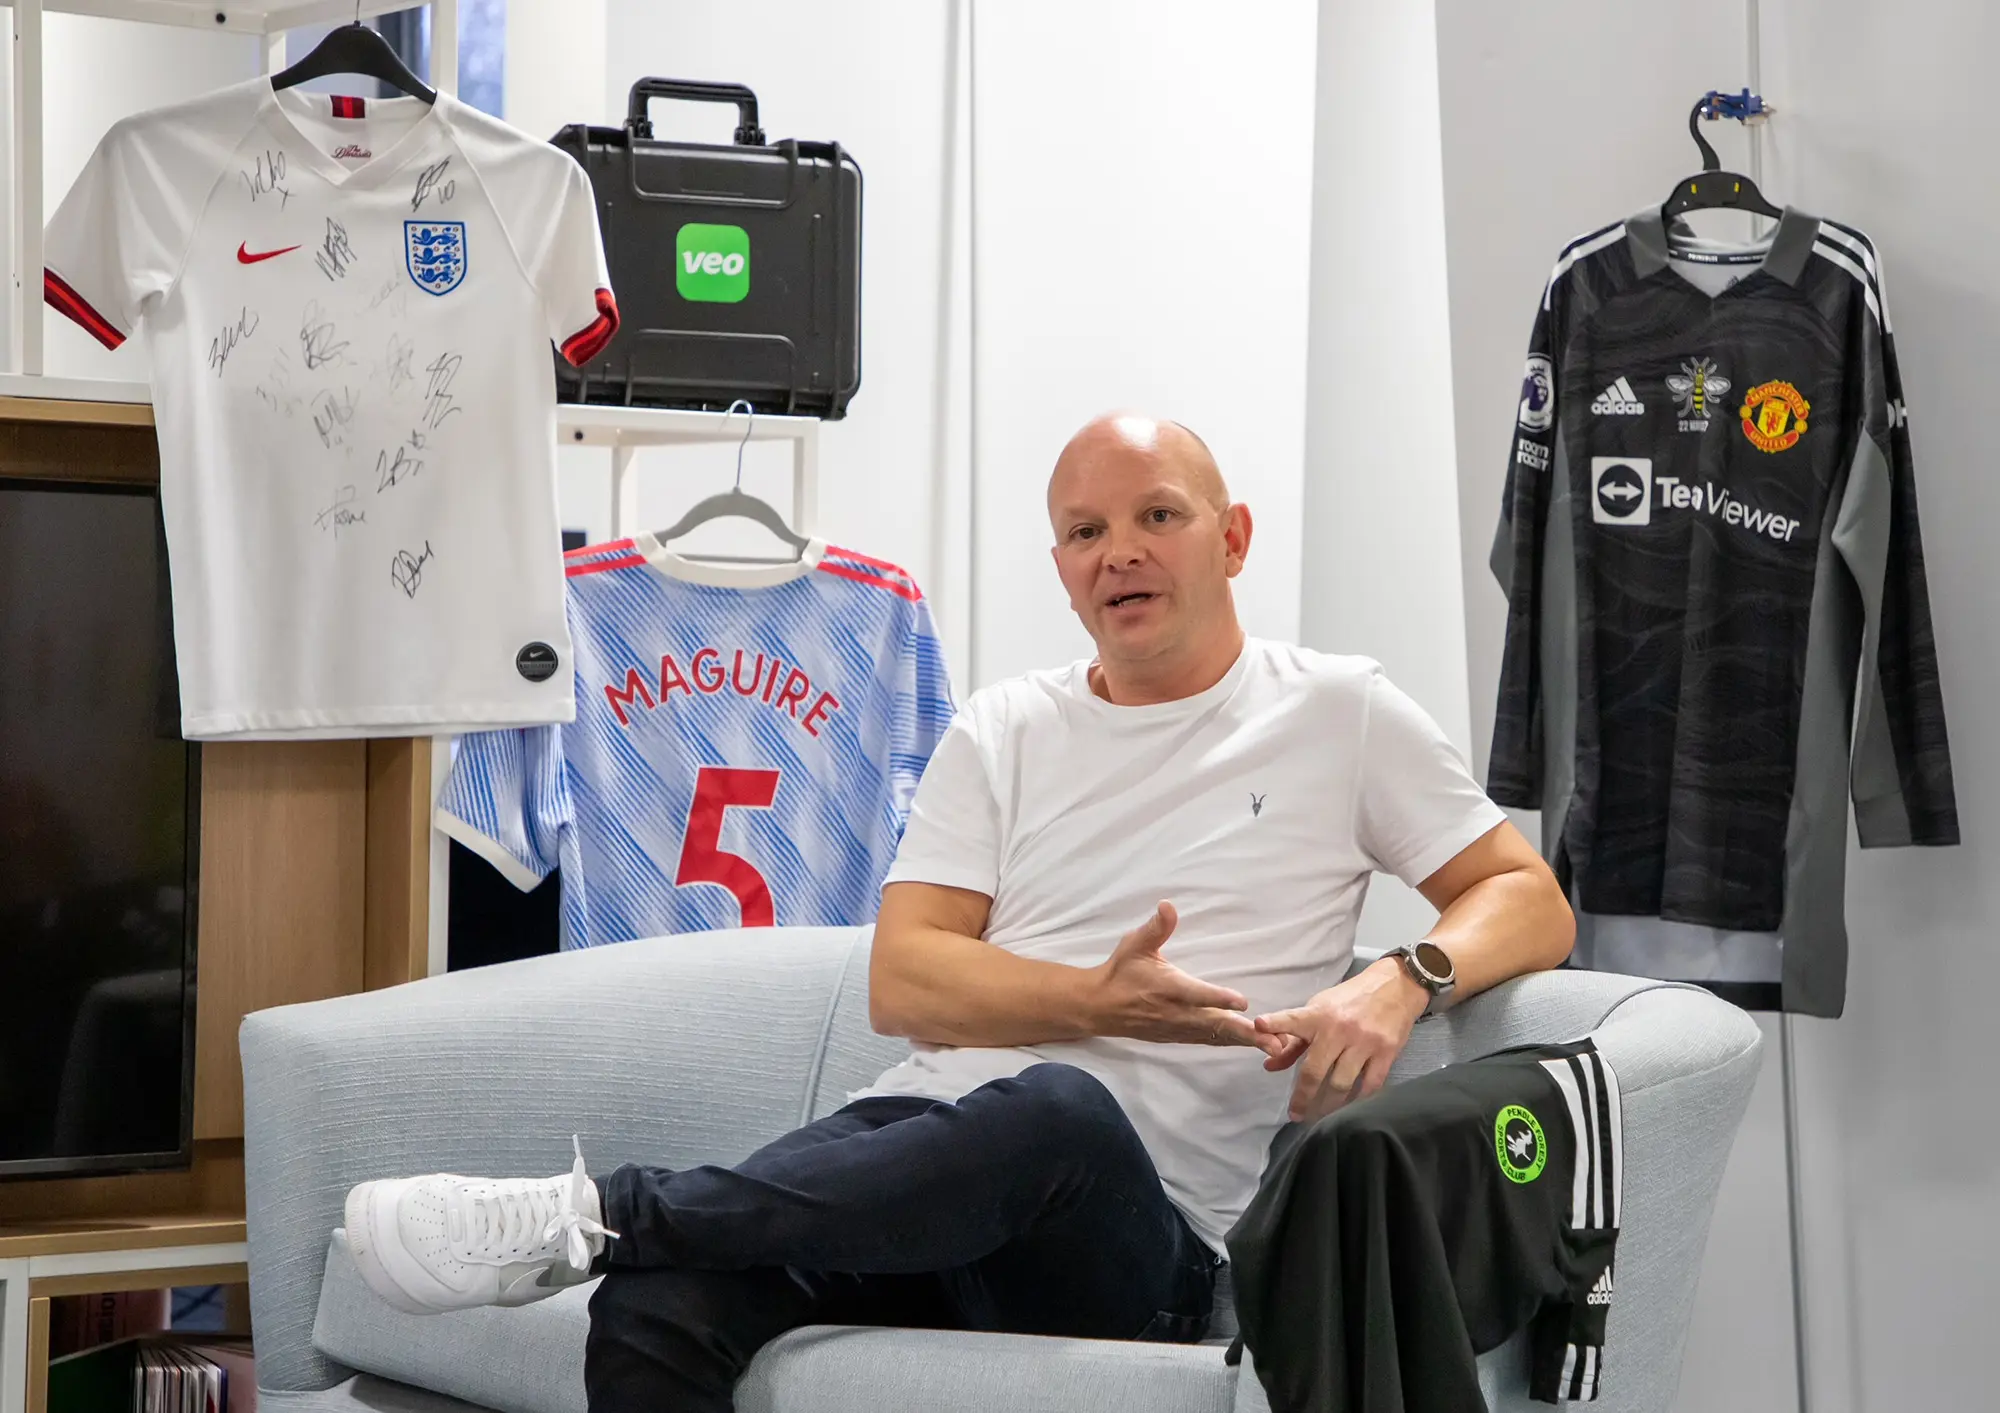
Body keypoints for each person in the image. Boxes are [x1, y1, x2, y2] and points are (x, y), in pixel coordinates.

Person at [339, 413, 1575, 1412]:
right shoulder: (1005, 724)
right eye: (1085, 531)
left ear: (1232, 536)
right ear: (1060, 569)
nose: (1118, 552)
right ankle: (625, 1235)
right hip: (920, 1168)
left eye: (1157, 517)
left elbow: (1526, 897)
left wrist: (1401, 976)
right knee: (659, 1303)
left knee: (1052, 1106)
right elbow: (906, 982)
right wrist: (1091, 999)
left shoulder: (1334, 712)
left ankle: (601, 1211)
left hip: (1135, 1235)